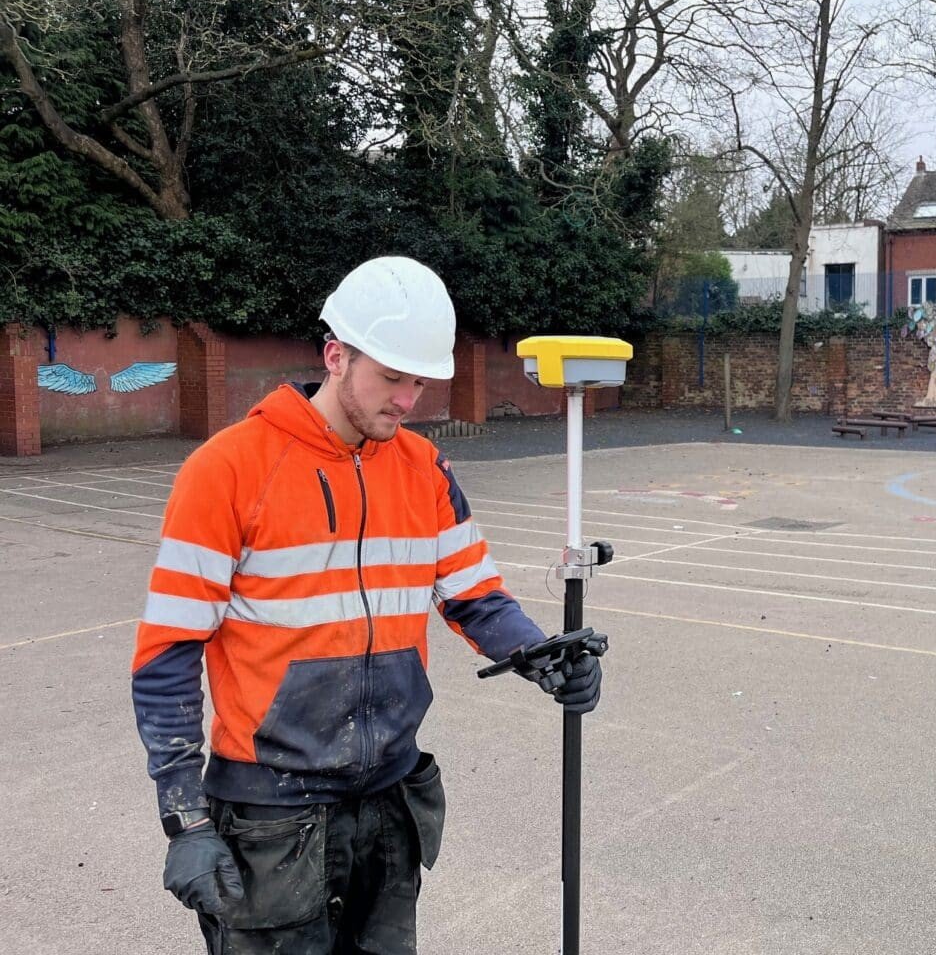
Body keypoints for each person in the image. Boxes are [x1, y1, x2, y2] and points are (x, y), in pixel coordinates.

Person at [130, 256, 601, 953]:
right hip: (271, 817)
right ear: (336, 356)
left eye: (419, 381)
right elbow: (167, 653)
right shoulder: (227, 470)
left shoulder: (424, 470)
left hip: (389, 805)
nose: (409, 399)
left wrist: (537, 653)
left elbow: (475, 595)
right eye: (392, 377)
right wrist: (185, 818)